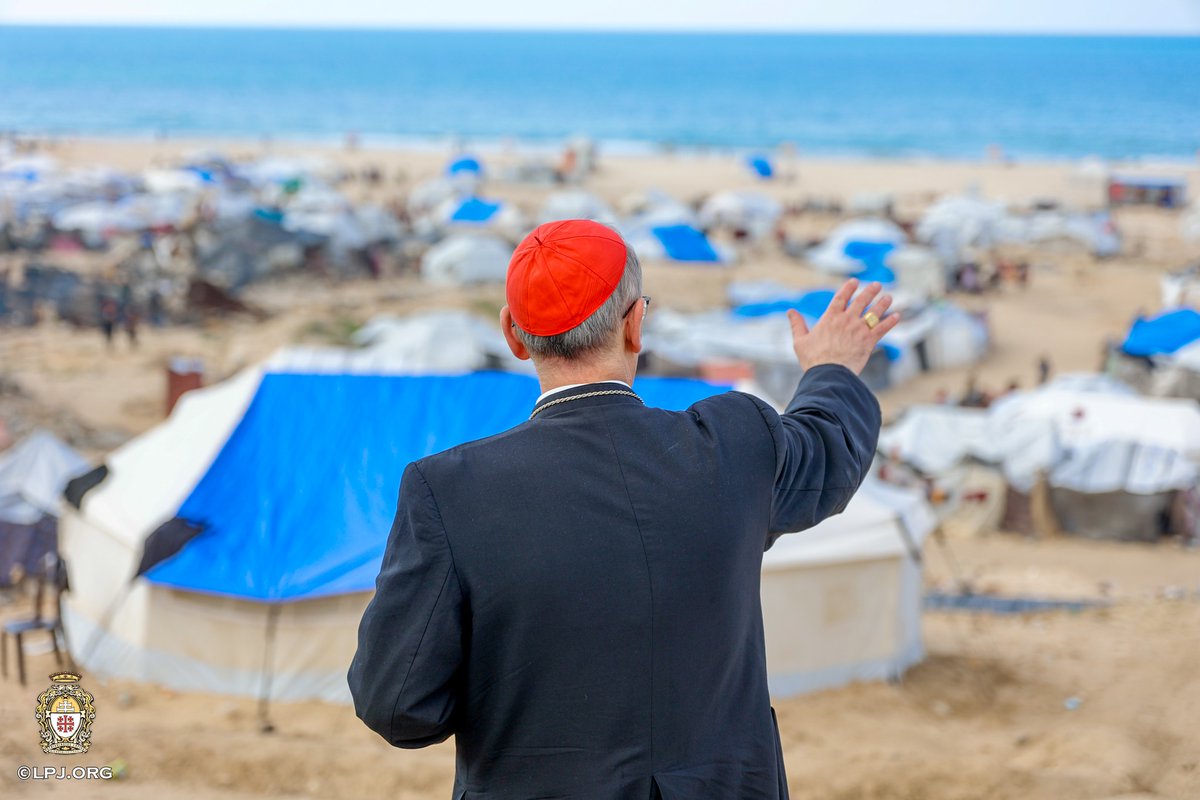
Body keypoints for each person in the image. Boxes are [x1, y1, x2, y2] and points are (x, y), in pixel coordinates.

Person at [348, 220, 897, 799]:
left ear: (513, 334)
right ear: (636, 323)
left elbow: (398, 704)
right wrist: (832, 367)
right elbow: (829, 449)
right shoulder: (734, 444)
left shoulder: (449, 489)